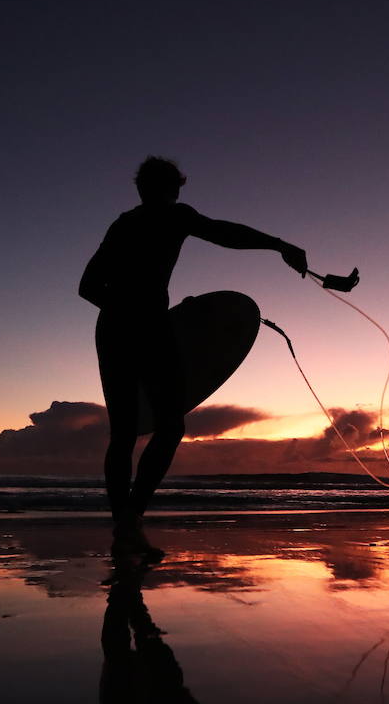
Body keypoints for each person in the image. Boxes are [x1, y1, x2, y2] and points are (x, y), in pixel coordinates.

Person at [79, 156, 306, 555]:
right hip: (144, 329)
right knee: (165, 429)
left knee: (127, 434)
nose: (174, 195)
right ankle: (130, 520)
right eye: (173, 189)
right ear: (167, 189)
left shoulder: (124, 224)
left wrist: (127, 311)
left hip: (116, 328)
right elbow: (224, 233)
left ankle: (125, 524)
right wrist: (279, 244)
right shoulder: (172, 216)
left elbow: (88, 287)